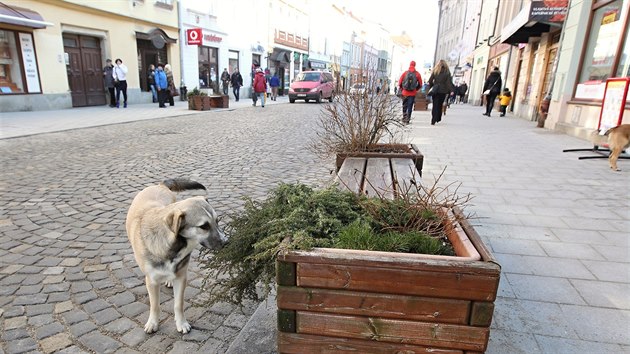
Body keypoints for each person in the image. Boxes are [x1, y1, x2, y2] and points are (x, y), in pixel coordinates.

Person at [427, 60, 454, 125]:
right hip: (443, 91)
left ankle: (433, 119)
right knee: (439, 105)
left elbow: (430, 80)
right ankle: (438, 117)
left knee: (435, 105)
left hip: (435, 90)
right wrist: (451, 90)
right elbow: (448, 83)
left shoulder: (435, 71)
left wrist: (432, 86)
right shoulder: (447, 72)